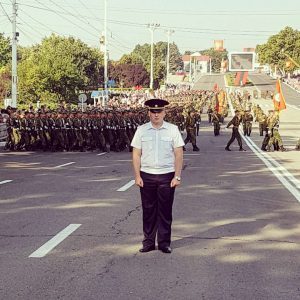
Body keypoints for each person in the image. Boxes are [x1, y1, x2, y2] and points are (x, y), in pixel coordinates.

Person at [131, 98, 184, 254]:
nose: (156, 115)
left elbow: (179, 154)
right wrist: (137, 175)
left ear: (164, 112)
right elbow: (136, 154)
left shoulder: (172, 130)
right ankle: (148, 242)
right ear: (148, 113)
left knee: (165, 211)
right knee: (148, 211)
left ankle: (164, 243)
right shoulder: (141, 130)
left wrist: (177, 176)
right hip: (147, 175)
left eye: (159, 111)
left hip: (167, 176)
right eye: (153, 112)